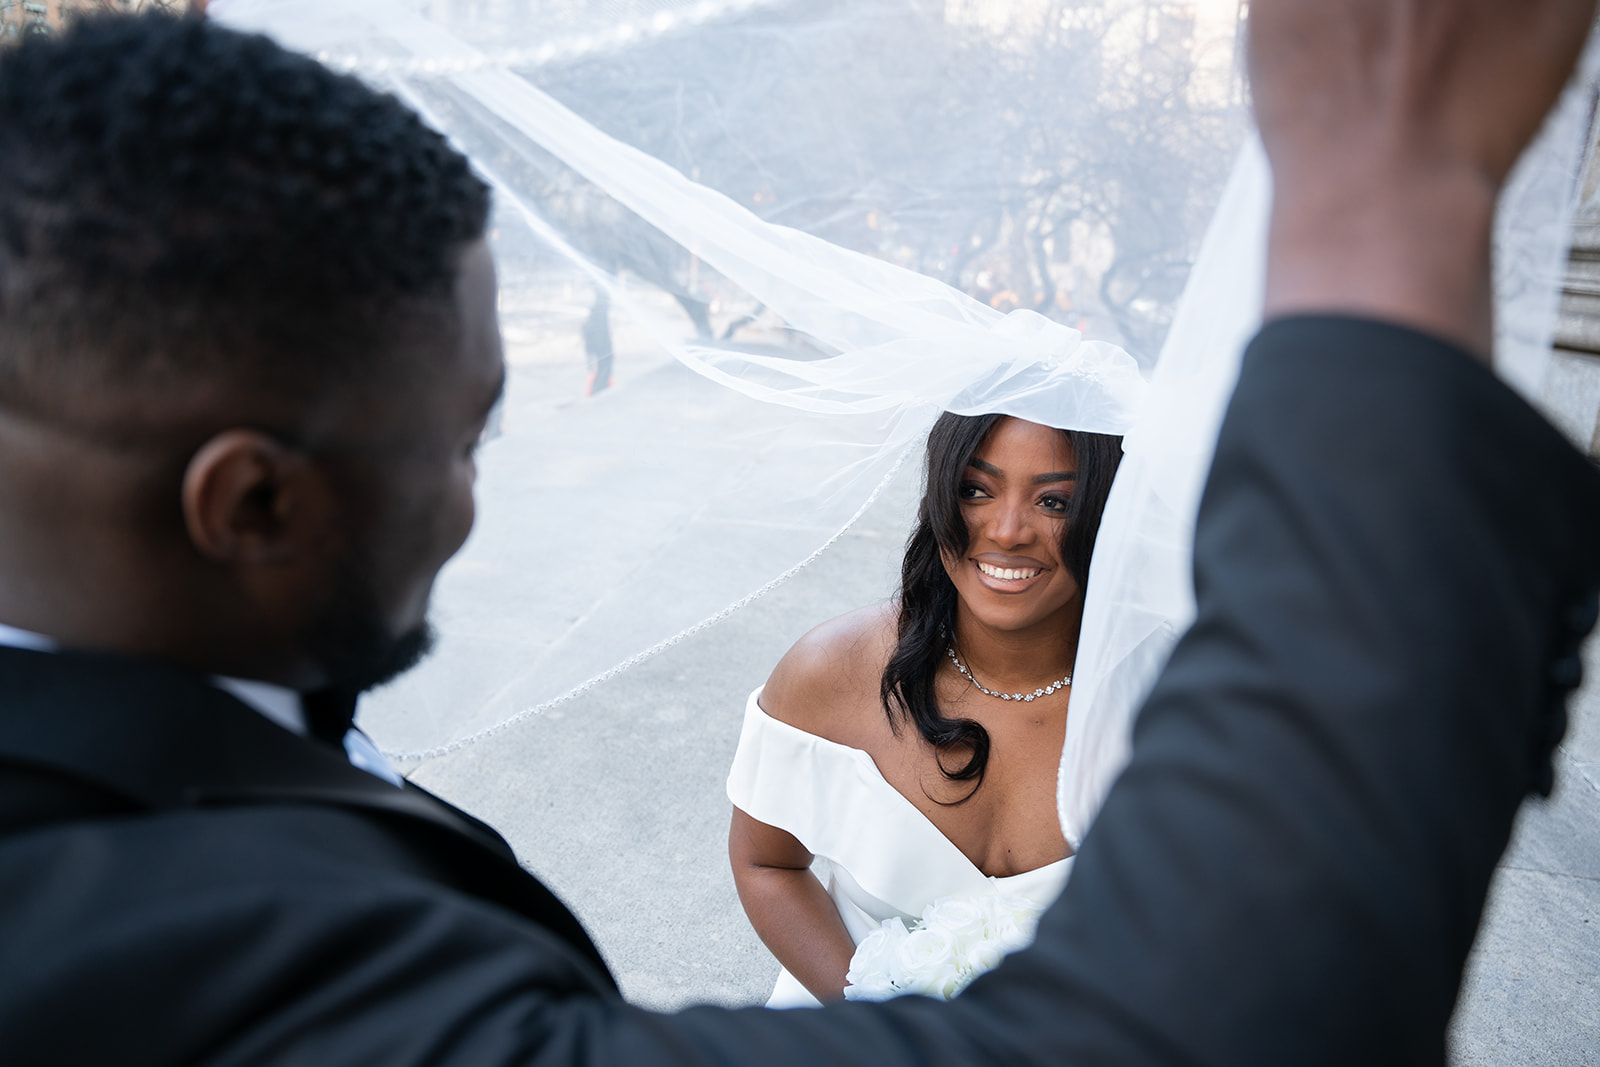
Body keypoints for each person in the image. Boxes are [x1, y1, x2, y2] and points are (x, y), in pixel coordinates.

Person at [1, 3, 1597, 1064]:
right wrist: (1390, 201)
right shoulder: (164, 950)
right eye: (464, 435)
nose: (478, 497)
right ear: (253, 503)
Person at [727, 414, 1123, 1005]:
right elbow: (768, 865)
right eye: (974, 490)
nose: (1008, 530)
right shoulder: (829, 672)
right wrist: (883, 1034)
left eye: (1054, 502)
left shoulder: (1168, 702)